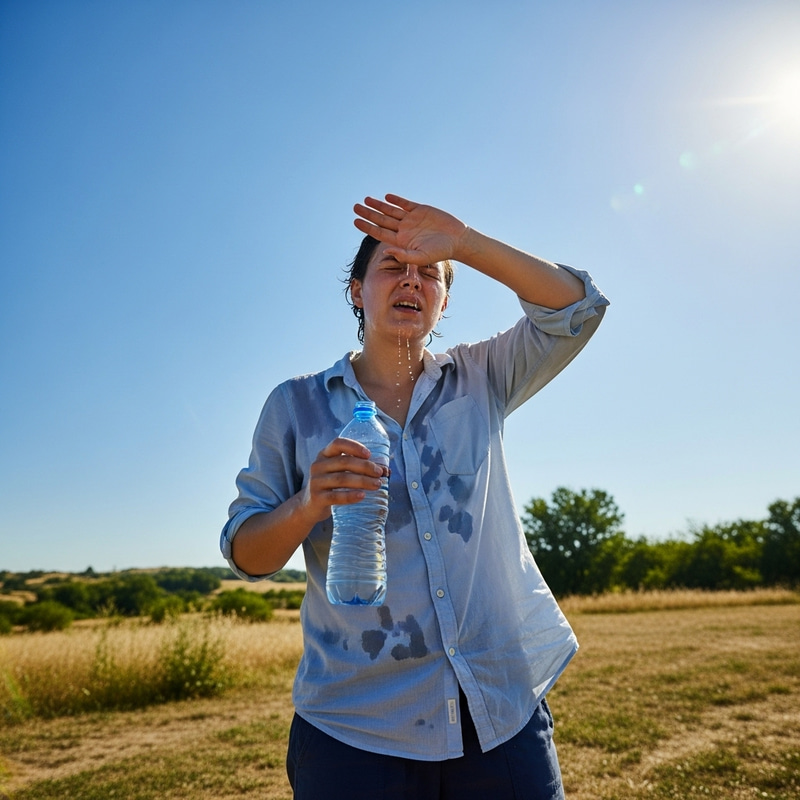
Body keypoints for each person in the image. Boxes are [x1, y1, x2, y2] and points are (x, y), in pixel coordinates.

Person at [220, 194, 609, 799]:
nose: (412, 280)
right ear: (357, 291)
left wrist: (464, 242)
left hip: (499, 710)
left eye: (429, 272)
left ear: (444, 300)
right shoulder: (295, 405)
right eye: (392, 267)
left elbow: (576, 307)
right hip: (355, 729)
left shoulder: (482, 376)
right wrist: (307, 503)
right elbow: (247, 555)